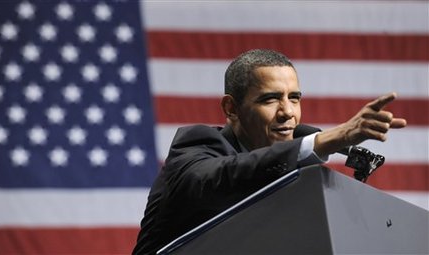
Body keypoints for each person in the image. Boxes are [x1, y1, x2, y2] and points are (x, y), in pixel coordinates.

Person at [132, 49, 407, 254]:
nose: (287, 112)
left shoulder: (293, 166)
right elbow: (226, 175)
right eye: (270, 98)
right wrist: (328, 140)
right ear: (231, 109)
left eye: (294, 98)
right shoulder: (196, 144)